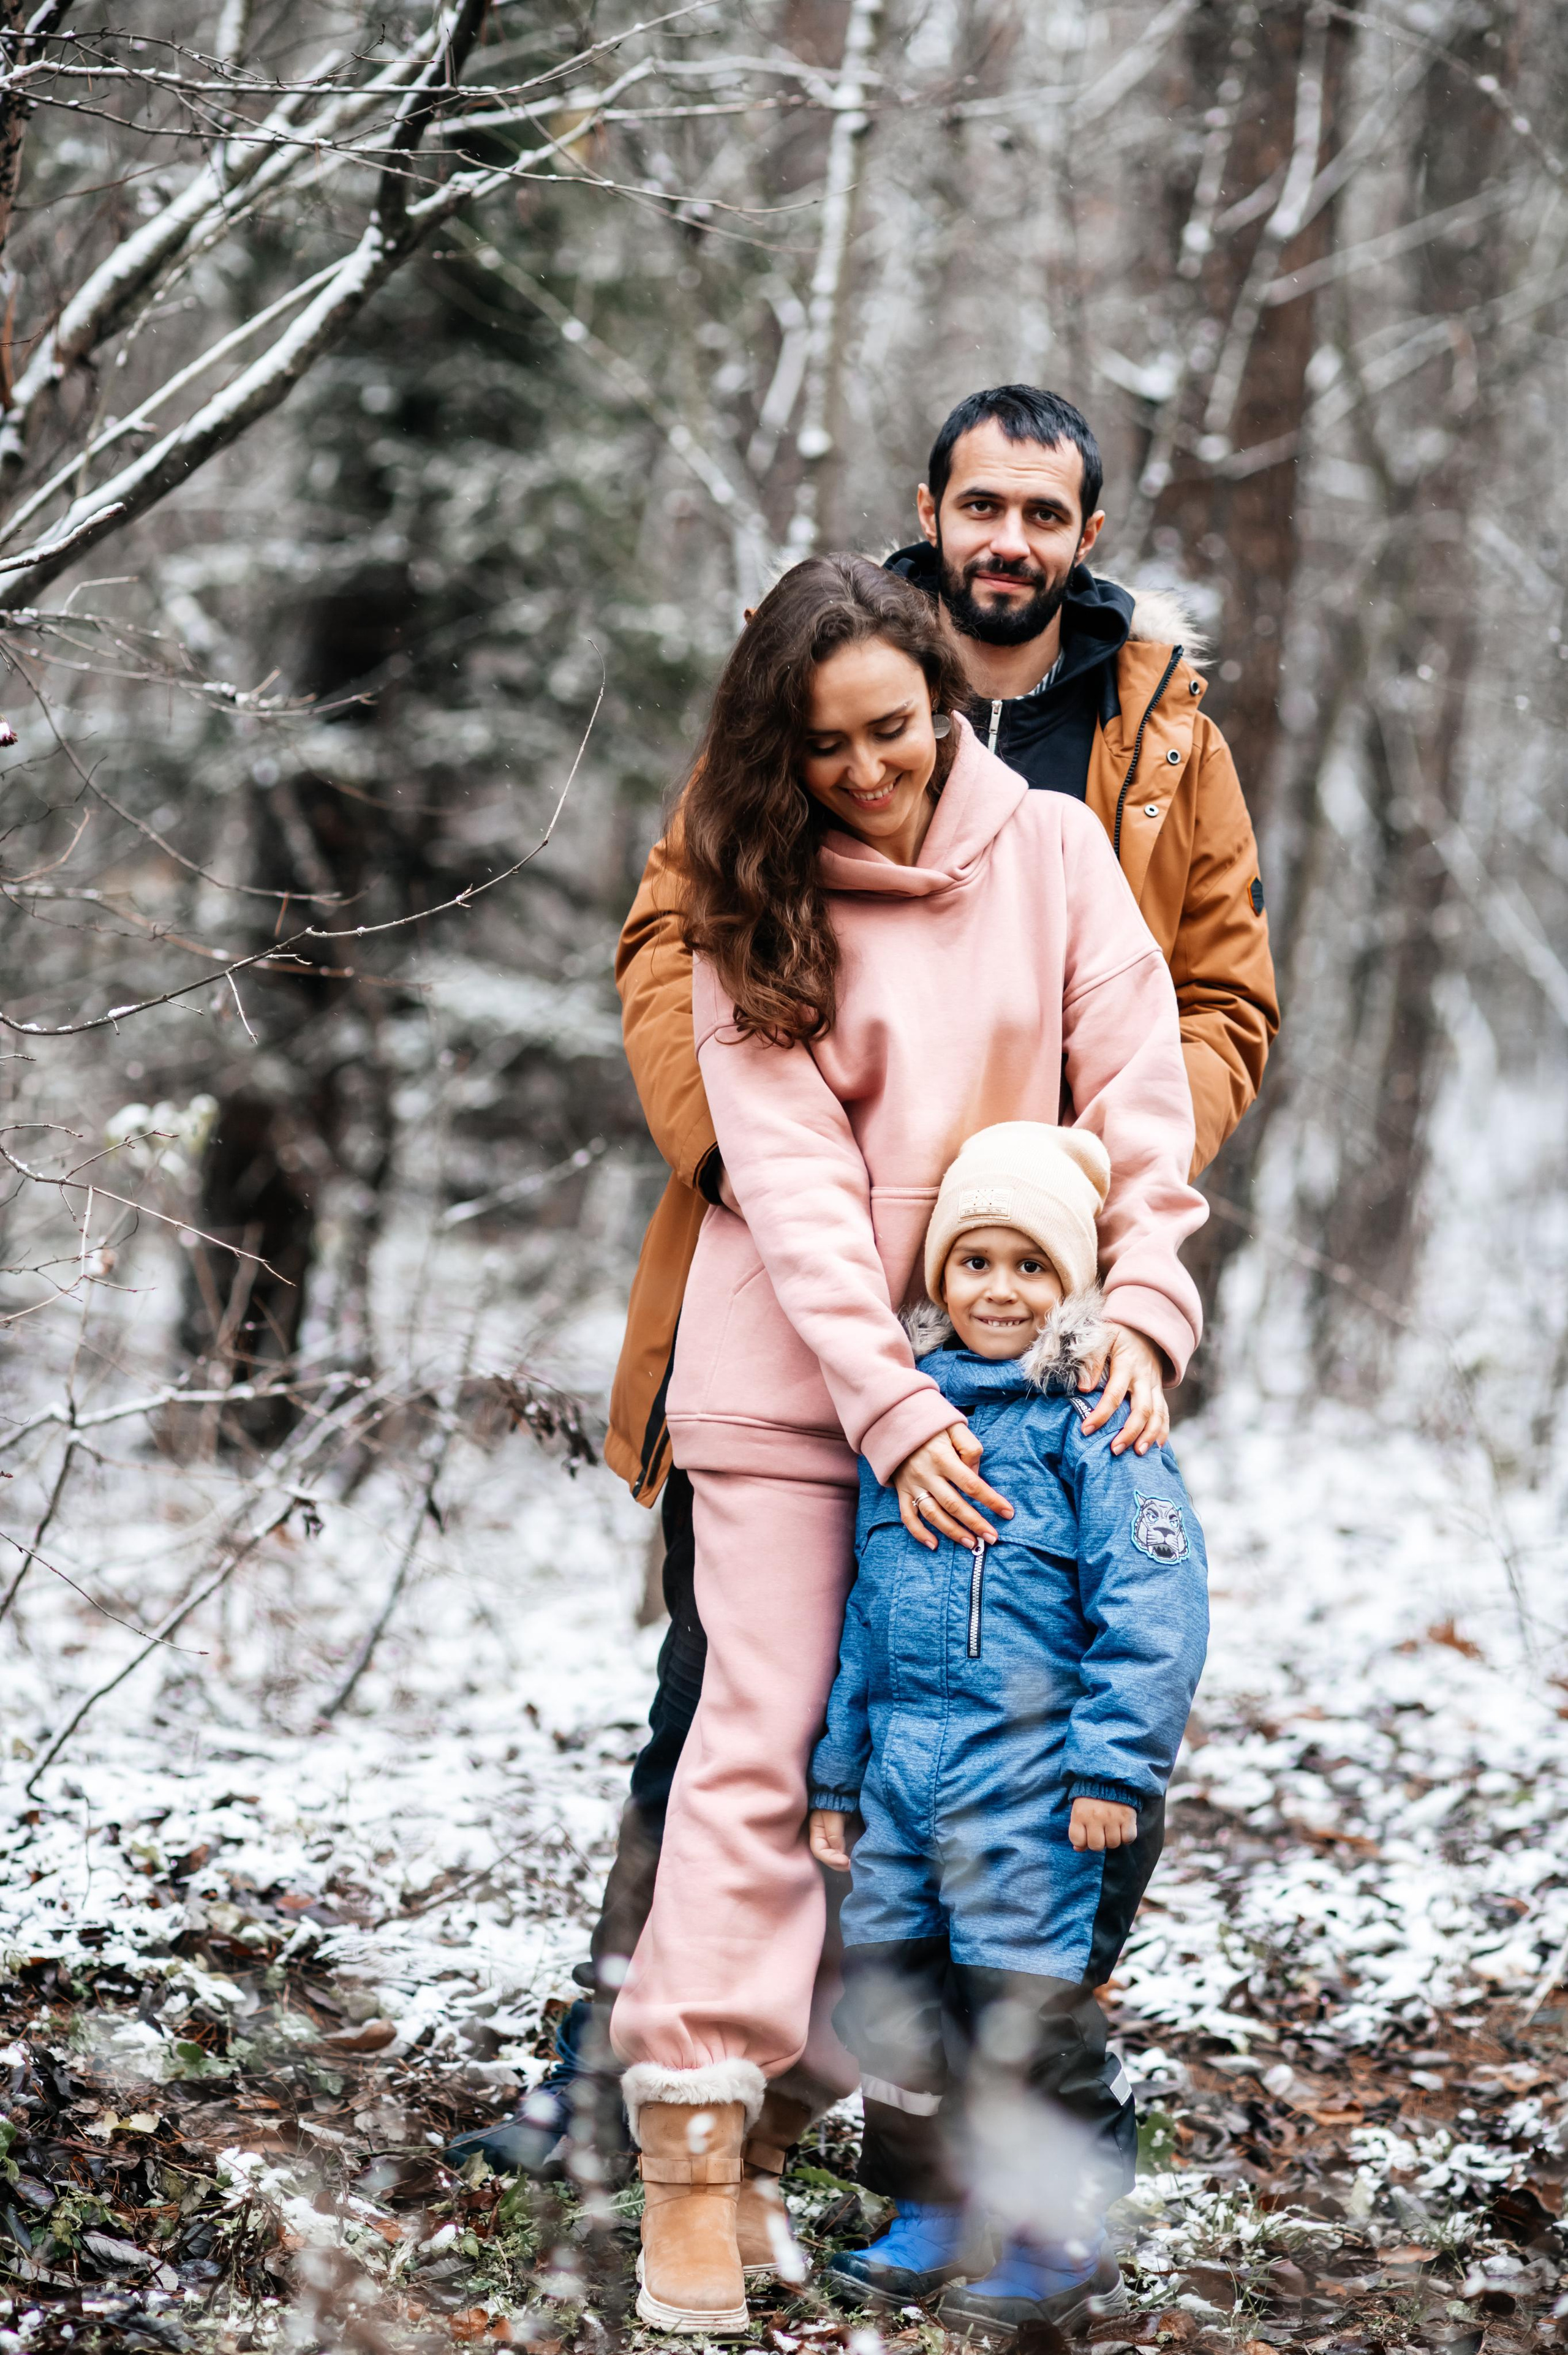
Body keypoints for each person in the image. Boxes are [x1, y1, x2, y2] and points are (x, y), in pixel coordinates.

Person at [591, 554, 1206, 2333]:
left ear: (946, 698)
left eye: (893, 729)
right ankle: (692, 2175)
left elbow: (1143, 1111)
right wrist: (893, 1401)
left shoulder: (1059, 856)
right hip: (799, 1389)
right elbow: (780, 1179)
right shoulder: (751, 879)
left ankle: (830, 2134)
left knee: (969, 1780)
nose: (866, 771)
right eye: (825, 746)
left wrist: (1145, 1317)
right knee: (762, 1759)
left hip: (1017, 1385)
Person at [807, 1121, 1208, 2342]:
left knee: (1026, 2016)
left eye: (1029, 1266)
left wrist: (1113, 1768)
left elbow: (1156, 1610)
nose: (998, 1289)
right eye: (972, 1261)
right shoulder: (906, 1431)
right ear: (937, 1277)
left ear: (1073, 1283)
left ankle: (1056, 2236)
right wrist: (839, 1777)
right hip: (905, 1798)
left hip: (1034, 1794)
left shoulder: (1099, 1425)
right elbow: (862, 1629)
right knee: (900, 2016)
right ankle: (930, 2209)